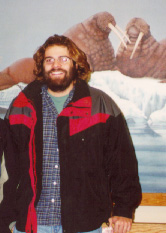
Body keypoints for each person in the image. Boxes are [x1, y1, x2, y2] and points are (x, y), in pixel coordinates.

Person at [0, 34, 142, 233]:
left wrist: (124, 209)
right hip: (32, 224)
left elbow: (123, 163)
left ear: (77, 64)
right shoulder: (21, 106)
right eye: (49, 60)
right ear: (42, 66)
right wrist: (5, 219)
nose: (55, 64)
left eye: (63, 59)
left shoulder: (101, 105)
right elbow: (8, 170)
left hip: (85, 224)